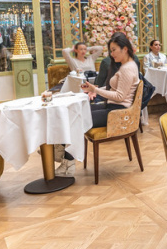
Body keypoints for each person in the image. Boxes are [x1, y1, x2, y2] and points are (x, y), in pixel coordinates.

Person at [55, 34, 139, 175]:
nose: (111, 54)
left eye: (114, 50)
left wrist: (96, 90)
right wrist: (94, 89)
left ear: (125, 49)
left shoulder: (127, 68)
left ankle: (67, 161)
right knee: (76, 111)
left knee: (75, 118)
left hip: (117, 113)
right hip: (113, 107)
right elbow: (116, 90)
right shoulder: (128, 65)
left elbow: (119, 96)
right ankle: (60, 151)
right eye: (110, 51)